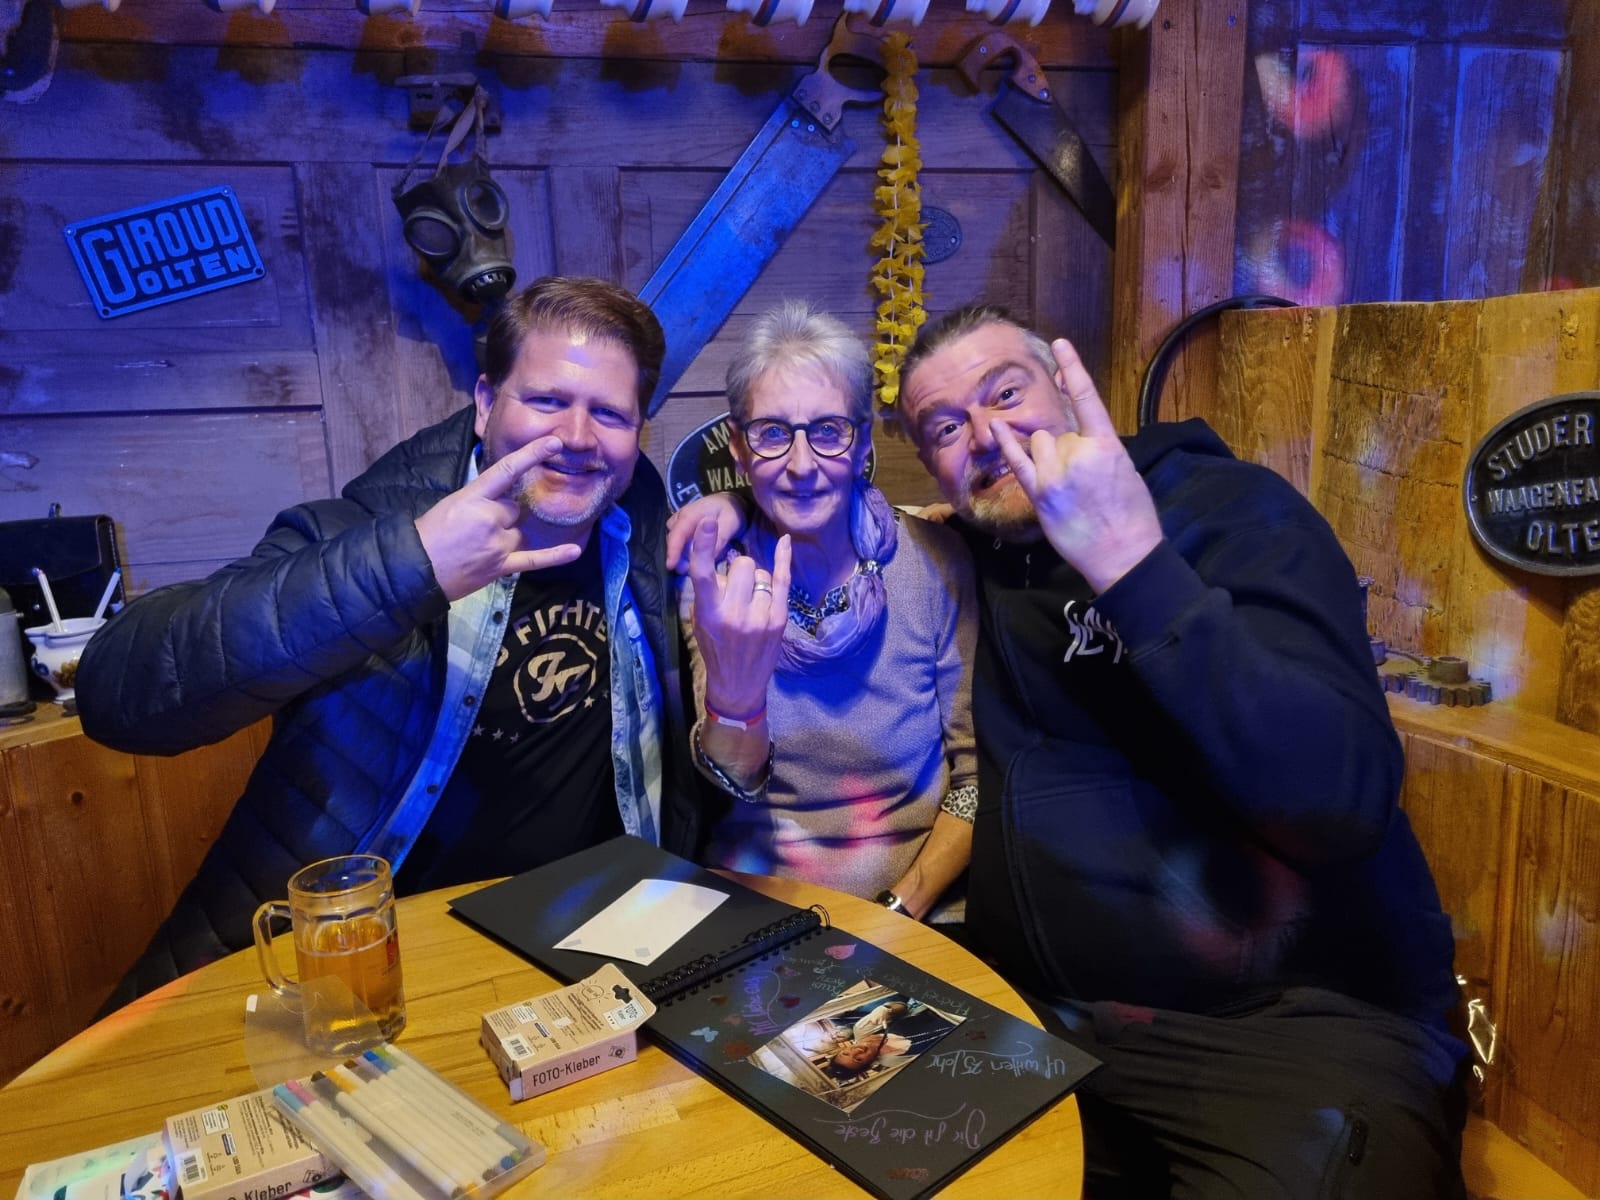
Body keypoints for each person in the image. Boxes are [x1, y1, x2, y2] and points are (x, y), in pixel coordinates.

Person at [675, 306, 1468, 1198]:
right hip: (1031, 1020)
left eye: (1006, 393)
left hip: (1287, 1035)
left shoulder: (1229, 513)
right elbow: (840, 516)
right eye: (947, 426)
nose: (987, 435)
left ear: (1066, 385)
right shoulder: (972, 555)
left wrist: (1132, 563)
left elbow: (1343, 803)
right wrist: (730, 508)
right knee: (767, 1136)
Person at [78, 275, 702, 1005]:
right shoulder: (357, 532)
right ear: (484, 403)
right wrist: (413, 564)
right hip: (362, 975)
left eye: (610, 413)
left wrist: (737, 506)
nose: (577, 436)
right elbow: (118, 695)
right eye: (545, 400)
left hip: (577, 958)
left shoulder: (641, 539)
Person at [678, 300, 977, 920]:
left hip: (918, 913)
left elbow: (974, 781)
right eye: (771, 433)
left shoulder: (935, 562)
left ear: (862, 441)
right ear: (739, 449)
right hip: (759, 905)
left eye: (828, 430)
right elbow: (733, 779)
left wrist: (896, 911)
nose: (801, 465)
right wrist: (737, 693)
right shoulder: (717, 580)